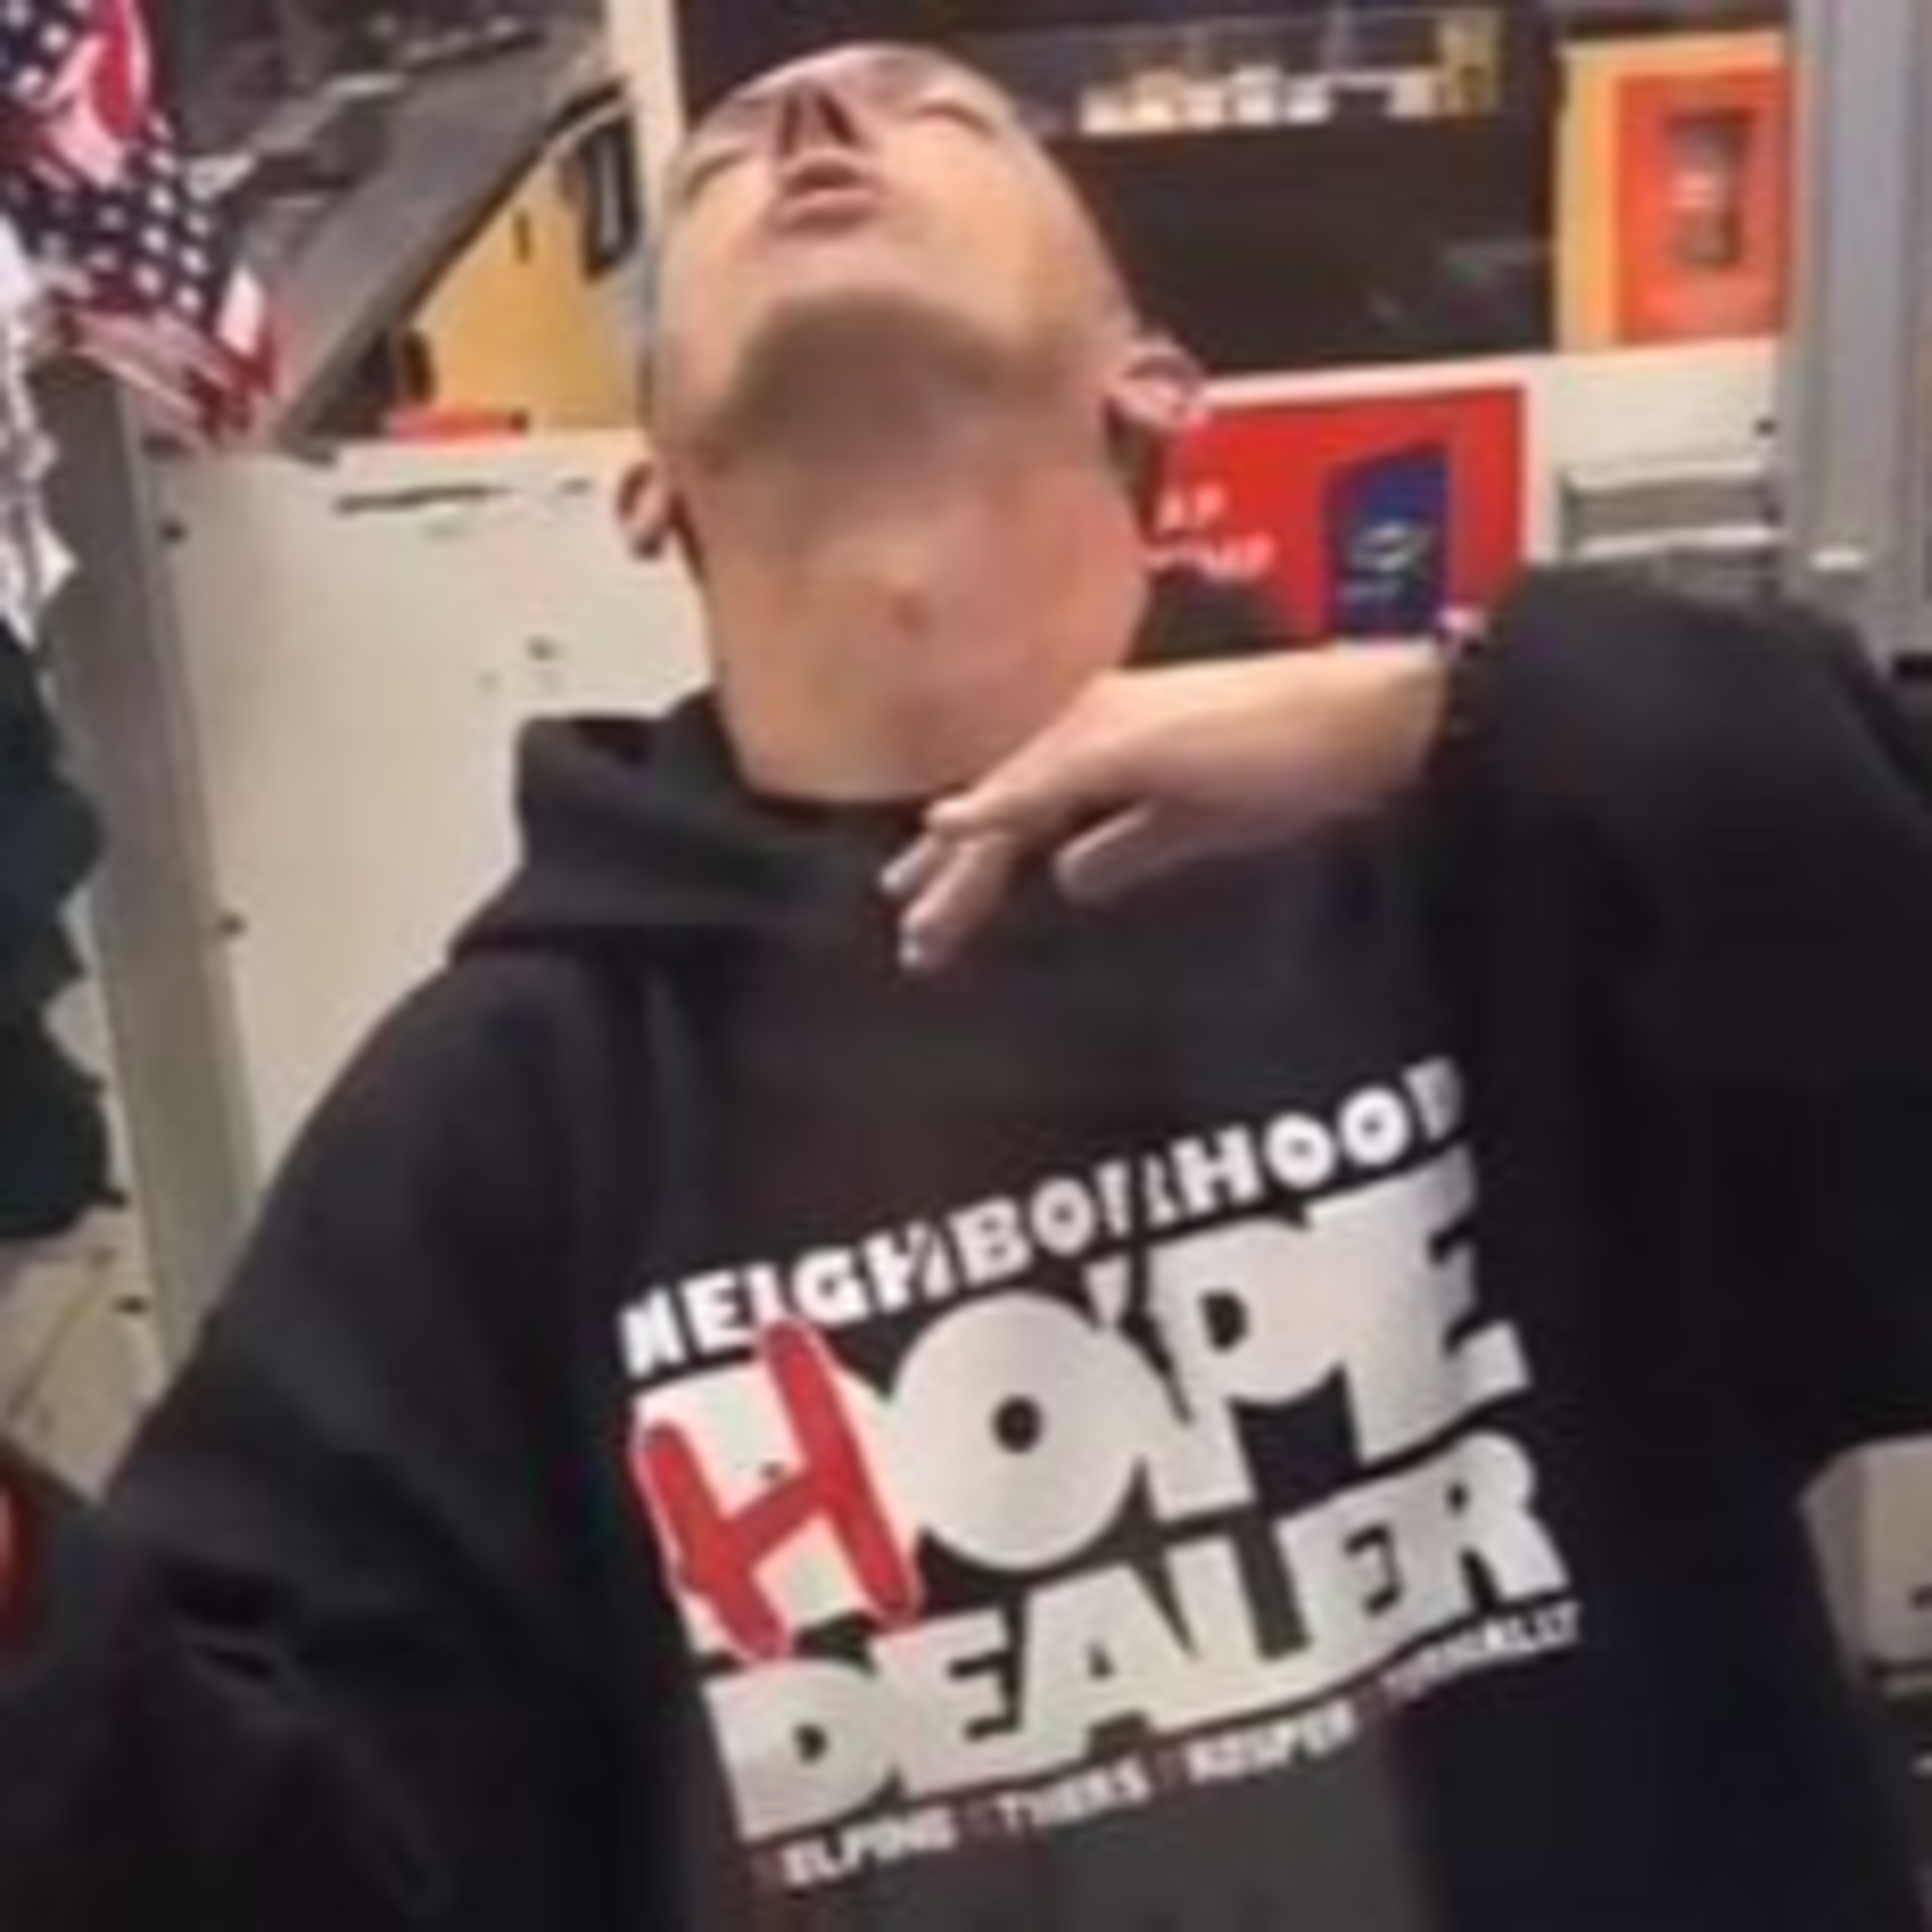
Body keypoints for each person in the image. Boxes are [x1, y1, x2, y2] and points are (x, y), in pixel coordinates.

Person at [5, 36, 1932, 1932]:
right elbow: (267, 1859)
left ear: (1153, 382)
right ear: (651, 482)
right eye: (722, 159)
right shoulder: (507, 1115)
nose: (812, 114)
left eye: (940, 113)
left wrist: (1457, 708)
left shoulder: (1480, 882)